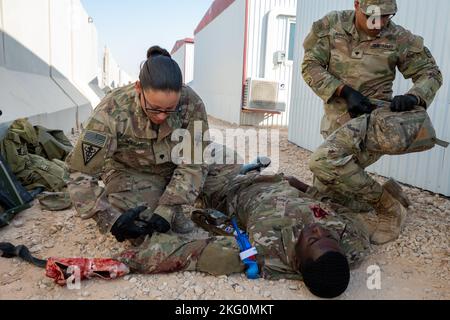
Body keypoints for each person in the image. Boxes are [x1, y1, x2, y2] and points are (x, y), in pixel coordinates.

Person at [117, 162, 371, 299]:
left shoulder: (264, 251)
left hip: (229, 190)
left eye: (313, 240)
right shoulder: (352, 243)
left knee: (183, 168)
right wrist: (305, 188)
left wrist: (124, 262)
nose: (318, 229)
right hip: (275, 179)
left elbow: (192, 253)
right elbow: (343, 211)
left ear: (300, 262)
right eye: (328, 235)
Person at [66, 46, 210, 241]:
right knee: (141, 226)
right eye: (154, 108)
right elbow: (79, 172)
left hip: (174, 168)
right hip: (131, 171)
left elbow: (195, 161)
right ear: (138, 89)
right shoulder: (111, 110)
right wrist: (110, 219)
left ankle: (179, 204)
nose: (161, 116)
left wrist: (167, 209)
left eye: (170, 109)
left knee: (228, 176)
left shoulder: (192, 103)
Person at [302, 0, 442, 139]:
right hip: (337, 124)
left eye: (386, 16)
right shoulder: (332, 26)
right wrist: (344, 91)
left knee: (322, 162)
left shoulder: (398, 37)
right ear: (357, 5)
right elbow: (310, 65)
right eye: (372, 16)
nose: (379, 23)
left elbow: (430, 72)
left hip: (377, 126)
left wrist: (413, 97)